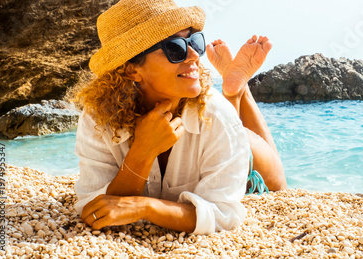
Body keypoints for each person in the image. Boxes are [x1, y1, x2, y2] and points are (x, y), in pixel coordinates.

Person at [71, 0, 286, 235]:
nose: (194, 55)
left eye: (194, 41)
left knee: (278, 184)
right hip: (222, 134)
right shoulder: (99, 118)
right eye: (175, 48)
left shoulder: (217, 116)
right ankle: (235, 92)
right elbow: (92, 208)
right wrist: (142, 151)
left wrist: (146, 206)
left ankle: (239, 92)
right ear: (132, 69)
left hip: (241, 148)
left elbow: (224, 215)